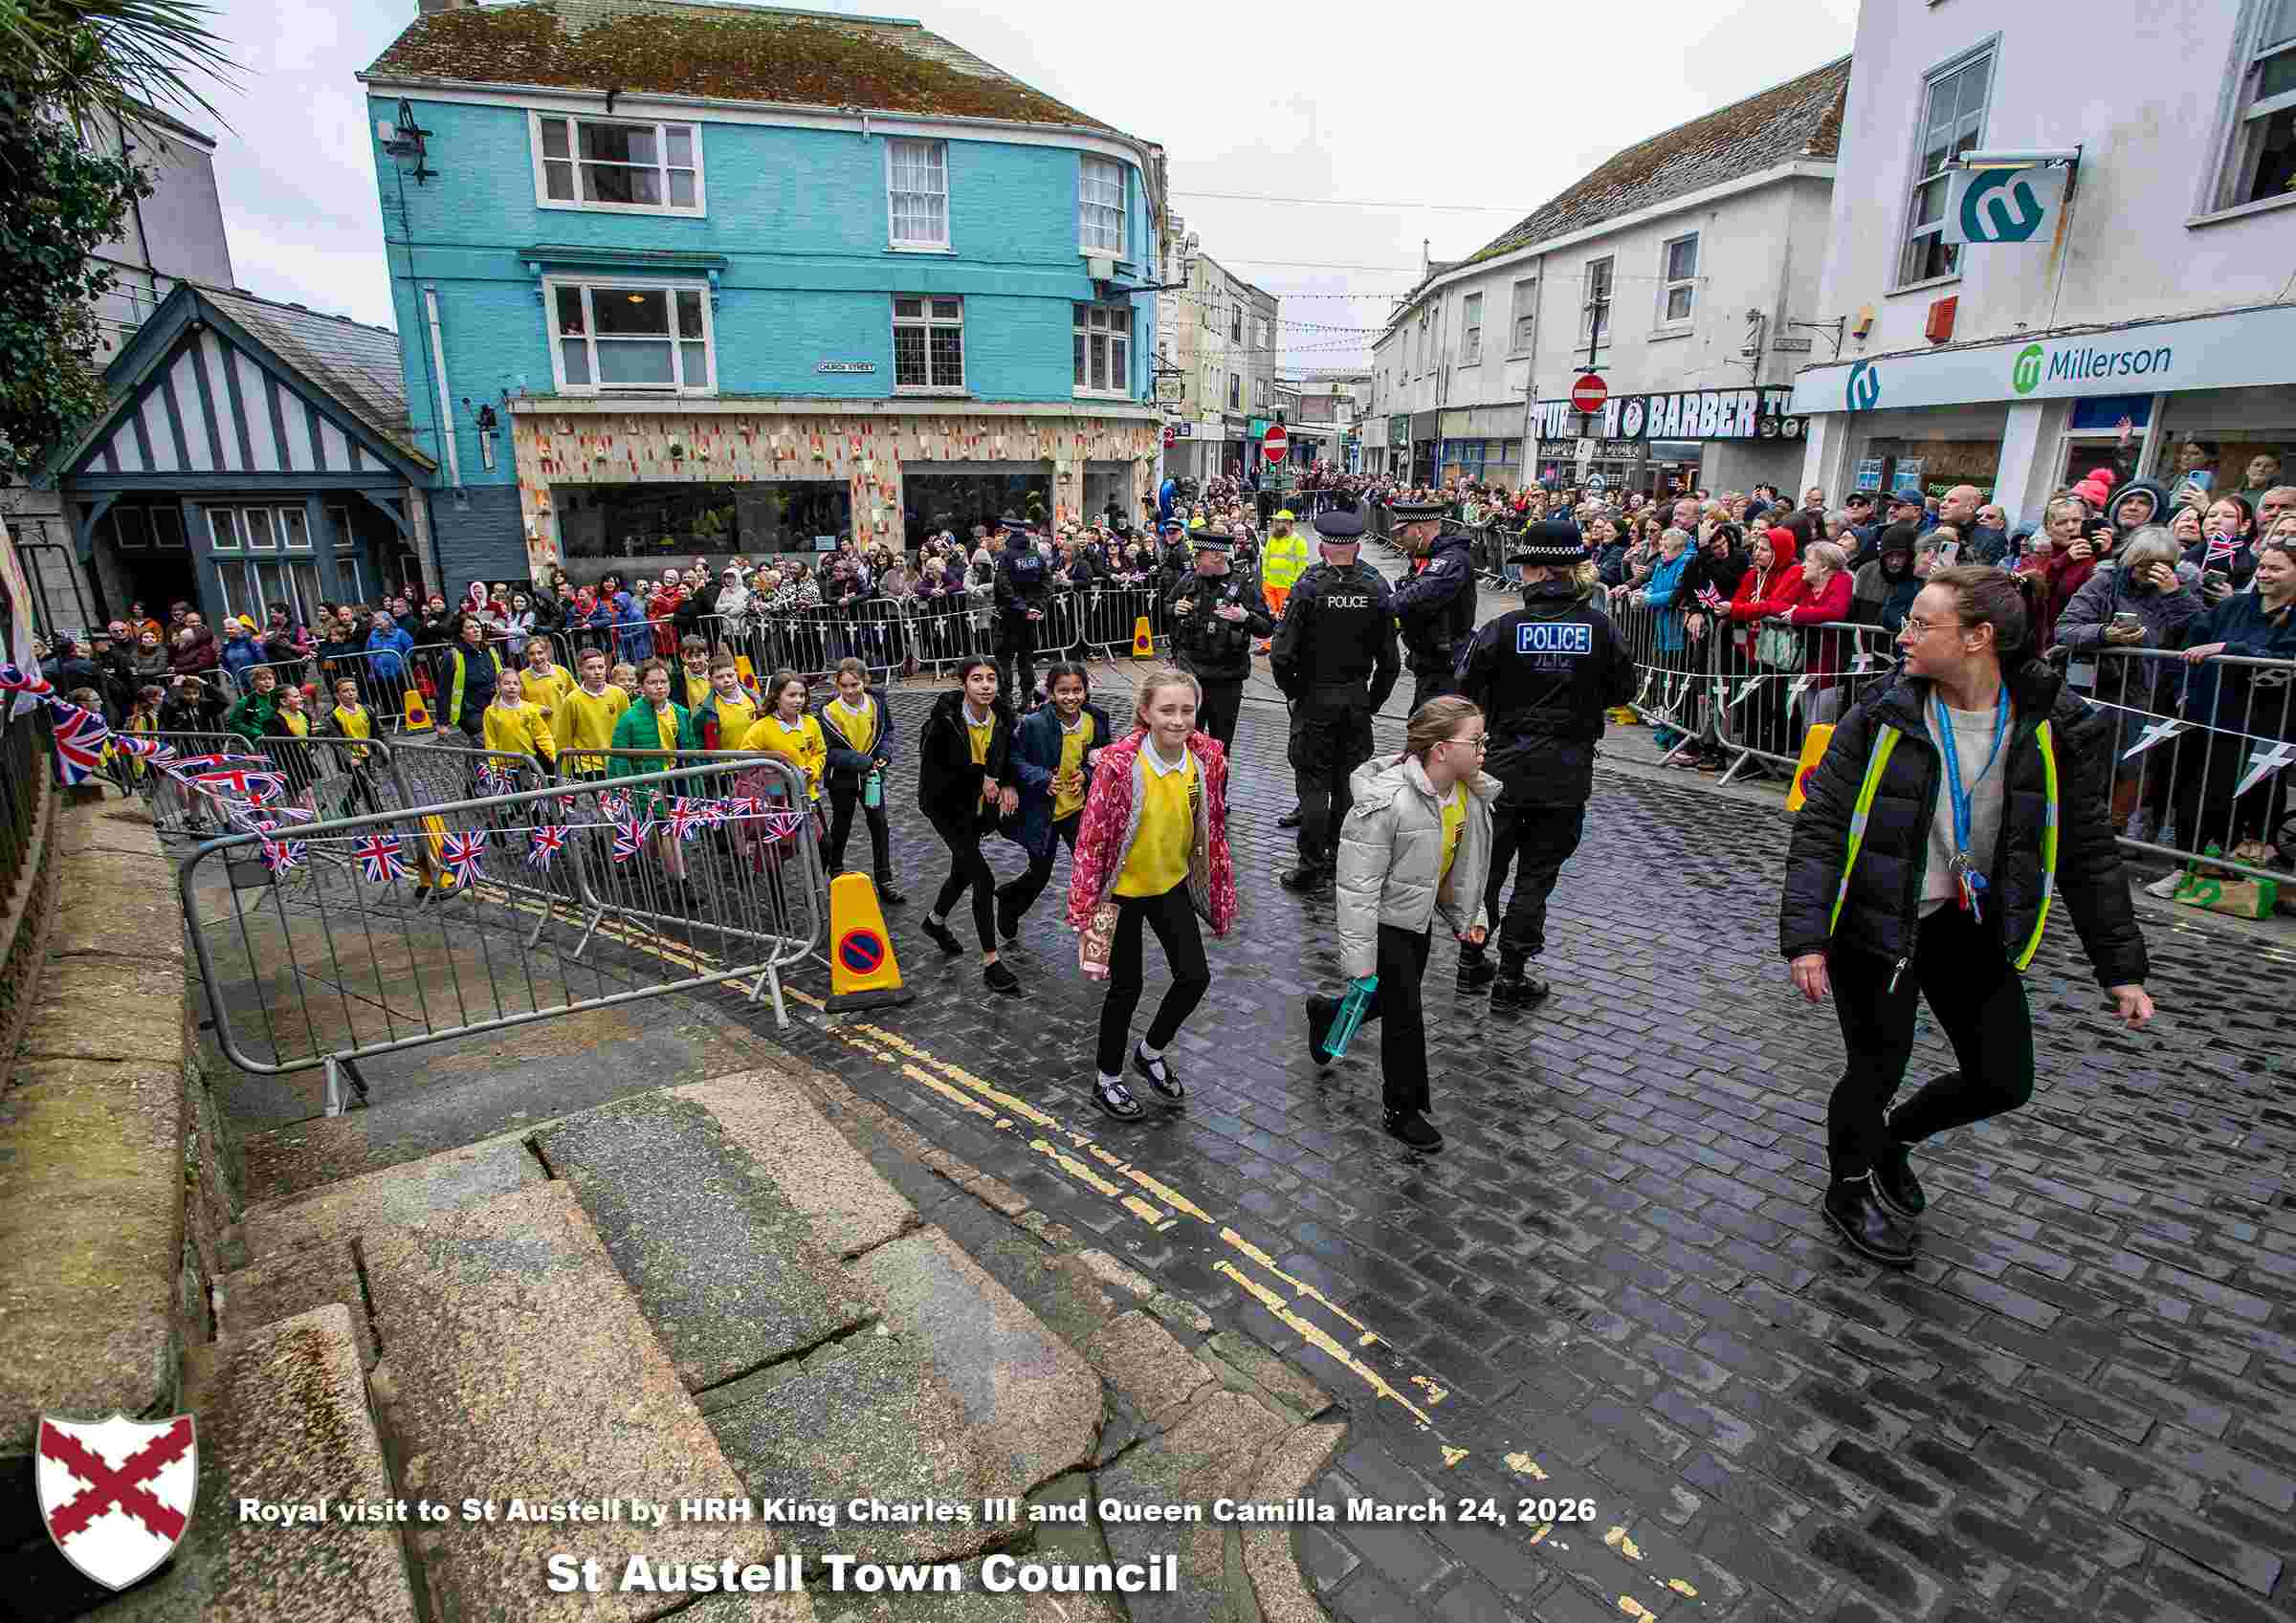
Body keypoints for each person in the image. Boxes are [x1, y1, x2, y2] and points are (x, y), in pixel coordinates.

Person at [1780, 565, 2152, 1266]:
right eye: (1909, 619)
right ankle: (1849, 1184)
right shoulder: (1882, 711)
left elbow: (2087, 850)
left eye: (1922, 624)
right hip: (1881, 920)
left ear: (1979, 638)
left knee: (2003, 1077)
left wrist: (2121, 967)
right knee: (1875, 1067)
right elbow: (1822, 823)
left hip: (1970, 922)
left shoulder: (2053, 723)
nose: (1903, 633)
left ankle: (1894, 1140)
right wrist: (1806, 936)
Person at [1455, 521, 1638, 1004]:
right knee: (1537, 875)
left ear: (1538, 571)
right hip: (1566, 769)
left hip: (1504, 767)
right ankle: (1511, 976)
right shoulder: (1601, 628)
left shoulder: (1503, 628)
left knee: (1488, 871)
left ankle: (1471, 961)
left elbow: (1466, 687)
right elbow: (1624, 690)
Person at [1304, 696, 1495, 1151]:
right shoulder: (1386, 803)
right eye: (1477, 739)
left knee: (1392, 1000)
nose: (1485, 747)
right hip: (1383, 921)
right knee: (1407, 1016)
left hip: (1416, 919)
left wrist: (1471, 918)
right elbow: (1356, 889)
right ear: (1441, 748)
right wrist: (1361, 961)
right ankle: (1402, 1109)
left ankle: (1328, 1013)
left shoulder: (1468, 795)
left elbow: (1461, 871)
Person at [1064, 668, 1235, 1122]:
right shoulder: (1119, 767)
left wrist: (1216, 888)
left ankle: (1150, 1050)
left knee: (1194, 976)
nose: (1178, 720)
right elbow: (1092, 841)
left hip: (1169, 885)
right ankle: (1107, 1079)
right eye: (1167, 710)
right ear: (1145, 713)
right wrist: (1086, 913)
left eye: (1186, 710)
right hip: (1117, 895)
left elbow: (1211, 828)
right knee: (1126, 985)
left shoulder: (1206, 760)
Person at [1270, 502, 1401, 891]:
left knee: (1312, 785)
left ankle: (1310, 864)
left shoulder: (1309, 587)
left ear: (1324, 548)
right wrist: (1371, 701)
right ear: (1357, 548)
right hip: (1356, 699)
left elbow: (1280, 655)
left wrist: (1295, 694)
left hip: (1315, 698)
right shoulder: (1377, 586)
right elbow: (1391, 662)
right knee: (1348, 786)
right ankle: (1341, 858)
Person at [916, 658, 1021, 994]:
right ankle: (991, 961)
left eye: (992, 678)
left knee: (962, 871)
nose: (986, 685)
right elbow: (935, 776)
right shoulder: (943, 722)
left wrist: (1006, 782)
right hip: (945, 808)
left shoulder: (1003, 716)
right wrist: (982, 778)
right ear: (964, 683)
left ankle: (934, 922)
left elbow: (1008, 757)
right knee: (982, 877)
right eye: (977, 679)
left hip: (977, 809)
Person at [996, 662, 1111, 942]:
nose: (1071, 697)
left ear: (1086, 691)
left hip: (1079, 811)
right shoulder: (1034, 723)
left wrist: (1086, 774)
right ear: (1050, 692)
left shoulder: (1095, 720)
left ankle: (1099, 941)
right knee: (1039, 874)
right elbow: (1014, 759)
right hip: (1043, 812)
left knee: (1094, 872)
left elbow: (1103, 759)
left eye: (1077, 690)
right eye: (1063, 691)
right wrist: (1042, 778)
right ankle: (1010, 901)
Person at [1166, 528, 1272, 756]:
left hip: (1226, 681)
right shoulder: (1189, 580)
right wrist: (1174, 609)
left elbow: (1267, 627)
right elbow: (1165, 607)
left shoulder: (1243, 585)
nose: (1194, 560)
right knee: (1184, 746)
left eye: (1199, 555)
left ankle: (1216, 791)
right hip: (1190, 679)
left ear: (1216, 556)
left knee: (1219, 749)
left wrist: (1246, 617)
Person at [819, 657, 902, 902]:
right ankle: (835, 871)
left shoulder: (877, 703)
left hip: (871, 777)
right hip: (842, 779)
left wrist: (884, 754)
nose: (849, 691)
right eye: (844, 686)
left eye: (854, 685)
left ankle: (885, 878)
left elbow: (887, 731)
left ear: (864, 681)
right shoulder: (828, 711)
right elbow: (829, 751)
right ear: (837, 684)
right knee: (841, 824)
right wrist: (861, 761)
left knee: (879, 824)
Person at [1388, 497, 1477, 714]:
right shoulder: (1425, 557)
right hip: (1428, 662)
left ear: (1419, 531)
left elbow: (1420, 594)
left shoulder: (1450, 560)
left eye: (1402, 532)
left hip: (1447, 666)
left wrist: (1380, 604)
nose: (1399, 539)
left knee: (1433, 731)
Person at [993, 515, 1053, 707]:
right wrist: (1036, 607)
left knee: (1004, 658)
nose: (1000, 537)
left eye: (1003, 533)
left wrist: (1023, 607)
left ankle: (1006, 699)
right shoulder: (1035, 555)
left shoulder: (1005, 556)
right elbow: (1047, 584)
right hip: (1029, 617)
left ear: (1009, 533)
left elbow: (1003, 586)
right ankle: (1027, 699)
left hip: (1010, 615)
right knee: (1026, 658)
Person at [561, 647, 629, 779]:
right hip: (589, 766)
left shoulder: (618, 693)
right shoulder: (572, 699)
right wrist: (564, 774)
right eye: (591, 668)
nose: (597, 672)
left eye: (601, 667)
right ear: (581, 670)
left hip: (617, 762)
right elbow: (565, 736)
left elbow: (627, 729)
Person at [482, 666, 558, 777]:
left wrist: (553, 755)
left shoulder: (529, 709)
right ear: (498, 686)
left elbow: (542, 735)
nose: (511, 687)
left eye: (515, 683)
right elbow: (490, 741)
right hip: (505, 767)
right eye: (507, 683)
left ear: (521, 687)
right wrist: (494, 766)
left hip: (529, 762)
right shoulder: (491, 712)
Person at [443, 616, 501, 740]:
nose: (476, 630)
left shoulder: (490, 651)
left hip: (494, 705)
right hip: (470, 710)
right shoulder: (453, 656)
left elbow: (501, 678)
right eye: (470, 627)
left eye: (477, 626)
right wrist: (442, 722)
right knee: (486, 741)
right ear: (462, 634)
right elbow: (444, 689)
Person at [1260, 509, 1311, 624]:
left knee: (1285, 618)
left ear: (1289, 523)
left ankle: (1281, 640)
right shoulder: (1273, 538)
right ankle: (1270, 640)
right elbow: (1266, 557)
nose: (1276, 524)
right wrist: (1265, 576)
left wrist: (1294, 583)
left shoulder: (1298, 541)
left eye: (1279, 522)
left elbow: (1302, 566)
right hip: (1269, 584)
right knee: (1271, 615)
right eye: (1276, 521)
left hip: (1286, 587)